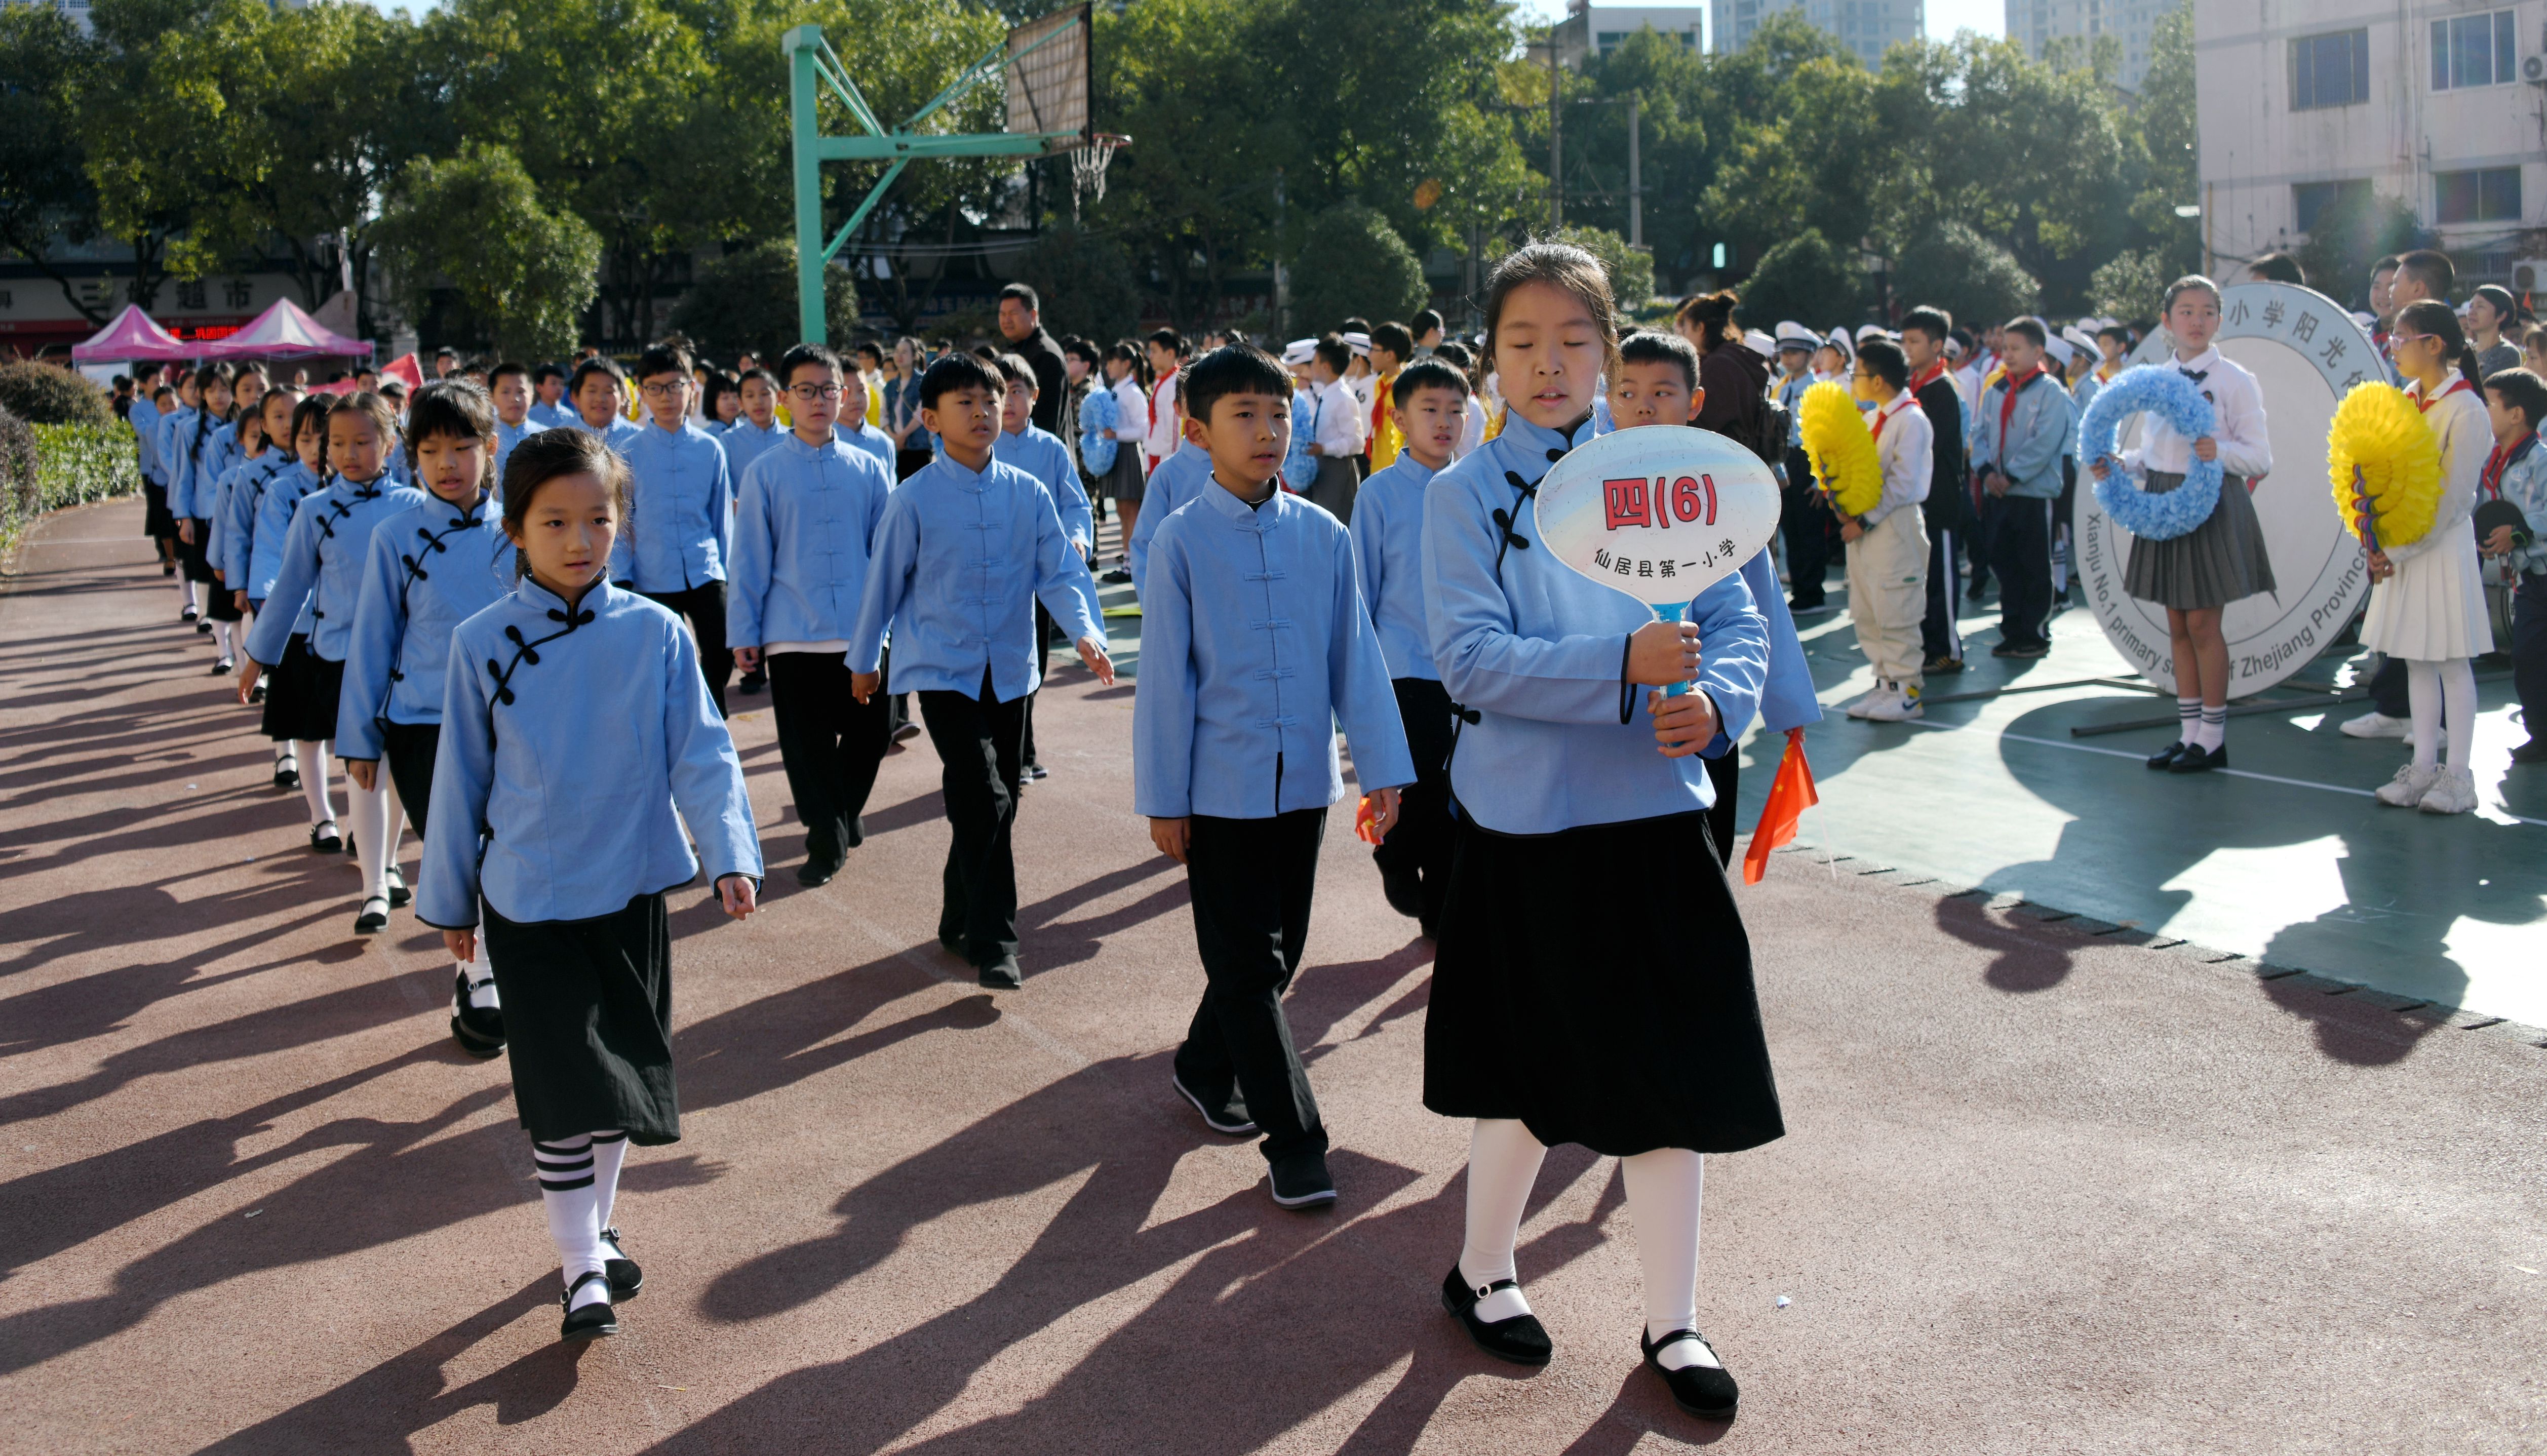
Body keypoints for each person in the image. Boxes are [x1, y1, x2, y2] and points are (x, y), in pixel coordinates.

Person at [1423, 243, 1773, 1423]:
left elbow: (1736, 614)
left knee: (1667, 1081)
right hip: (1527, 824)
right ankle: (1482, 1268)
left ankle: (1671, 1318)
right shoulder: (1457, 495)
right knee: (1529, 1074)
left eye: (1574, 340)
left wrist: (1718, 700)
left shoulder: (1662, 475)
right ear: (1490, 361)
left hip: (1658, 817)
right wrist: (1622, 668)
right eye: (1521, 342)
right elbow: (1471, 658)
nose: (1548, 364)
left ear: (1609, 352)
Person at [418, 427, 762, 1346]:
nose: (579, 540)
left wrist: (729, 852)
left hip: (631, 887)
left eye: (598, 519)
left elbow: (702, 751)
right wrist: (452, 902)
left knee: (615, 1082)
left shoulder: (658, 631)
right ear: (517, 529)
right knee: (563, 1088)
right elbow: (461, 780)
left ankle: (594, 1233)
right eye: (555, 521)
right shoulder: (480, 643)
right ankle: (579, 1270)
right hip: (527, 898)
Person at [1137, 343, 1413, 1210]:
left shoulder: (1322, 536)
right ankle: (1293, 1142)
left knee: (1274, 958)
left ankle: (1198, 1062)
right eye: (1243, 415)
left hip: (1303, 788)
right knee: (1251, 970)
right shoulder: (1180, 542)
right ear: (1197, 431)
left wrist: (1381, 768)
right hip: (1216, 791)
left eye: (1278, 413)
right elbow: (1164, 684)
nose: (1266, 431)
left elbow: (1355, 663)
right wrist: (1163, 799)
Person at [847, 352, 1113, 989]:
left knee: (993, 800)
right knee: (985, 790)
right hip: (942, 668)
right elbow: (881, 584)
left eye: (991, 400)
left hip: (1012, 668)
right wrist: (865, 661)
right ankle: (996, 942)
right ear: (932, 419)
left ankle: (957, 911)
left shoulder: (1029, 492)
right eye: (965, 402)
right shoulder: (913, 499)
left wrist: (1085, 632)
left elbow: (1060, 569)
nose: (983, 412)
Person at [336, 381, 515, 1054]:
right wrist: (359, 736)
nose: (447, 463)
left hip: (508, 721)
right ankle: (475, 971)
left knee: (501, 845)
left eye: (461, 447)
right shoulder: (395, 536)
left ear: (490, 448)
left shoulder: (522, 527)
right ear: (411, 455)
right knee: (453, 853)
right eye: (430, 449)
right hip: (421, 722)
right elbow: (372, 640)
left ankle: (487, 969)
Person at [1605, 328, 1823, 860]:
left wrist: (1783, 700)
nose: (1644, 408)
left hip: (1709, 704)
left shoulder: (1721, 490)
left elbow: (1759, 600)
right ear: (1607, 398)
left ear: (1695, 401)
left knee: (1705, 851)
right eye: (1627, 392)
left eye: (1662, 392)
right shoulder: (1590, 485)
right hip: (1625, 710)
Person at [239, 392, 429, 924]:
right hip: (341, 661)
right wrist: (258, 657)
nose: (349, 453)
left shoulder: (418, 508)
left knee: (393, 776)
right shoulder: (313, 509)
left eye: (363, 442)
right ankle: (372, 885)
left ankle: (387, 864)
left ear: (391, 446)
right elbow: (291, 586)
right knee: (364, 770)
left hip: (407, 663)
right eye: (338, 443)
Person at [727, 343, 899, 886]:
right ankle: (826, 838)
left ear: (845, 395)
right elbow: (749, 556)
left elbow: (889, 550)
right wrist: (743, 632)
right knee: (806, 746)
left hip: (861, 627)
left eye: (829, 389)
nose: (819, 400)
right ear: (785, 399)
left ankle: (840, 812)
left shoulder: (871, 468)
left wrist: (894, 622)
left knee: (873, 733)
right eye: (806, 390)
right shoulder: (764, 472)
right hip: (791, 632)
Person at [2093, 277, 2274, 773]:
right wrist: (2120, 462)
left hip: (2212, 501)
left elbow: (2260, 456)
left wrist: (2222, 452)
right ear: (2167, 320)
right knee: (2176, 622)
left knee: (2202, 622)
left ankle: (2213, 739)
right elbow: (2153, 452)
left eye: (2207, 311)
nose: (2197, 321)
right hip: (2163, 501)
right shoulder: (2152, 378)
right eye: (2187, 311)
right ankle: (2188, 733)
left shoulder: (2236, 379)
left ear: (2219, 318)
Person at [1349, 356, 1467, 936]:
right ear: (1399, 417)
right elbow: (1361, 589)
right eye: (1430, 410)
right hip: (1405, 667)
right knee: (1418, 785)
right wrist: (1360, 678)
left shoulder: (1475, 486)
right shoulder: (1378, 495)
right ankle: (1393, 856)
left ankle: (1441, 913)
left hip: (1467, 667)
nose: (1444, 422)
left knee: (1456, 791)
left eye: (1455, 411)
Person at [2361, 303, 2494, 812]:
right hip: (2402, 551)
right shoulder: (2405, 400)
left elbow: (2456, 498)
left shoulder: (2466, 409)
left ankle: (2458, 777)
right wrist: (2376, 542)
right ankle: (2421, 770)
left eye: (2401, 338)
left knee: (2451, 662)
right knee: (2416, 658)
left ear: (2434, 344)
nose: (2393, 347)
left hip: (2439, 550)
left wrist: (2397, 547)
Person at [991, 352, 1096, 784]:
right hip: (991, 576)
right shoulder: (980, 445)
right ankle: (1008, 752)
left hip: (1039, 578)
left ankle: (1022, 751)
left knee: (1031, 664)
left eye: (1018, 390)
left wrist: (1077, 537)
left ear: (1035, 397)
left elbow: (1075, 503)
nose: (1010, 400)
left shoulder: (1051, 448)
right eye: (1002, 391)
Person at [618, 343, 738, 716]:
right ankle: (680, 723)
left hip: (706, 569)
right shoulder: (628, 451)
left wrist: (730, 574)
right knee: (661, 660)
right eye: (655, 388)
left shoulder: (710, 448)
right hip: (651, 574)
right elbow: (621, 522)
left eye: (674, 386)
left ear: (692, 390)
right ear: (641, 393)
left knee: (721, 652)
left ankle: (711, 716)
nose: (666, 396)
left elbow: (722, 518)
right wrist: (621, 578)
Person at [1837, 337, 1936, 722]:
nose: (1853, 380)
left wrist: (1862, 522)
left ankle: (1907, 689)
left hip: (1892, 526)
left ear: (1877, 381)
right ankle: (1885, 684)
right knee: (1868, 609)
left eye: (1857, 373)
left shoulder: (1911, 420)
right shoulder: (1871, 418)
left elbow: (1901, 483)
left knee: (1896, 607)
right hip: (1865, 529)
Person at [1970, 318, 2076, 659]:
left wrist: (2010, 476)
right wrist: (1986, 471)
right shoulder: (1995, 390)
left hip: (2031, 494)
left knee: (2034, 565)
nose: (2008, 355)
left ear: (2038, 351)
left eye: (2016, 349)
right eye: (2004, 349)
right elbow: (1979, 434)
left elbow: (2044, 441)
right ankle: (2011, 628)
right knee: (2004, 563)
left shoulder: (2050, 392)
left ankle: (2034, 632)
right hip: (1998, 493)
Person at [2479, 368, 2547, 765]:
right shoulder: (2496, 461)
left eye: (2490, 403)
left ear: (2516, 414)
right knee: (2526, 655)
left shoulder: (2539, 459)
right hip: (2529, 582)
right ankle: (2539, 733)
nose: (2484, 410)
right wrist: (2492, 541)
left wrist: (2517, 533)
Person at [171, 364, 243, 658]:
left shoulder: (247, 426)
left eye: (224, 388)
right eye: (211, 390)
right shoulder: (189, 430)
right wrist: (183, 516)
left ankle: (234, 644)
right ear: (201, 393)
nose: (219, 396)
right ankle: (220, 645)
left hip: (241, 515)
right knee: (206, 575)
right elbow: (183, 476)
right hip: (204, 514)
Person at [1301, 334, 1365, 524]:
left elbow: (1356, 442)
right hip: (1323, 465)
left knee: (1336, 522)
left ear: (1326, 367)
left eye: (1314, 361)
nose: (1311, 366)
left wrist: (1324, 448)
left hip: (1338, 468)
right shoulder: (1328, 393)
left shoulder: (1343, 397)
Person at [995, 283, 1070, 435]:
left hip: (1042, 453)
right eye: (1002, 314)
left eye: (1013, 314)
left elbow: (1047, 421)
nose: (1006, 320)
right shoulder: (1023, 349)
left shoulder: (1046, 355)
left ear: (1033, 314)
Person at [486, 361, 548, 481]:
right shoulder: (483, 438)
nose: (514, 399)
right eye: (506, 392)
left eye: (521, 391)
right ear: (491, 397)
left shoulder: (547, 437)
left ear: (532, 395)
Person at [1364, 322, 1413, 473]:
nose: (1369, 354)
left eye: (1373, 349)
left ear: (1390, 355)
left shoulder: (1407, 384)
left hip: (1400, 467)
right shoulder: (1380, 383)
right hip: (1379, 465)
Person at [833, 369, 897, 467]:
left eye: (861, 390)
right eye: (848, 392)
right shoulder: (822, 443)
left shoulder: (884, 443)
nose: (855, 400)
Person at [1143, 329, 1185, 472]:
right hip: (1156, 454)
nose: (1150, 356)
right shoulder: (1162, 381)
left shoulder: (1174, 384)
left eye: (1154, 351)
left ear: (1170, 353)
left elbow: (1174, 428)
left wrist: (1170, 463)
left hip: (1166, 458)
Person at [2468, 285, 2520, 380]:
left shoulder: (2507, 353)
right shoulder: (2467, 350)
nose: (2472, 312)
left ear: (2501, 316)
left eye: (2480, 306)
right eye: (2471, 306)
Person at [528, 363, 577, 428]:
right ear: (539, 388)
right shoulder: (530, 415)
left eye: (562, 384)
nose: (559, 388)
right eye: (553, 383)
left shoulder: (569, 416)